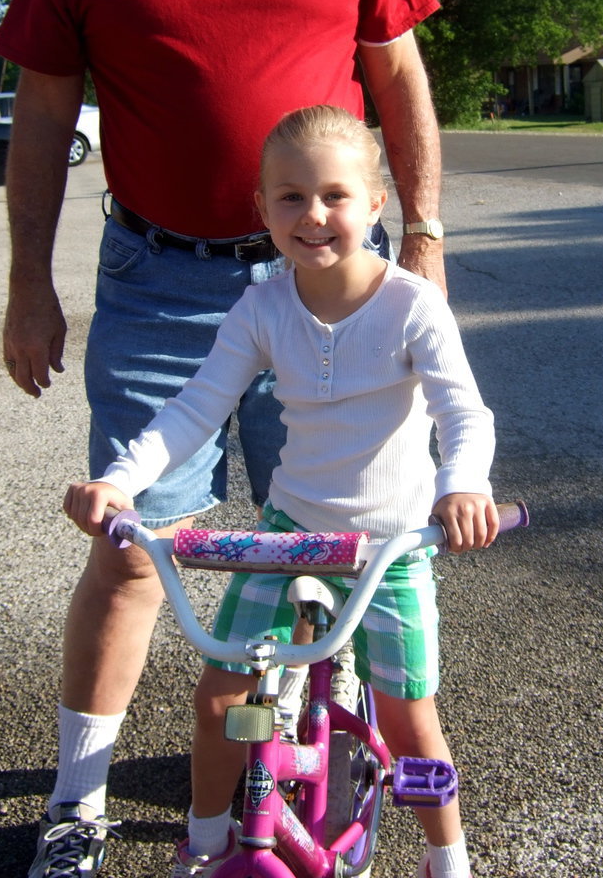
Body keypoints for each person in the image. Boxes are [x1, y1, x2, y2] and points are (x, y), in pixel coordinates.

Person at [0, 0, 445, 874]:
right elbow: (41, 114)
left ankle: (320, 723)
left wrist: (431, 238)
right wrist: (27, 284)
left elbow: (398, 80)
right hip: (162, 283)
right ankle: (76, 804)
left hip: (336, 283)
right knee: (140, 544)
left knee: (346, 528)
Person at [65, 106, 498, 878]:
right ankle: (202, 843)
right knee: (220, 698)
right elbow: (195, 406)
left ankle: (448, 856)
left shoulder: (411, 307)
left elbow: (462, 413)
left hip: (389, 546)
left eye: (335, 194)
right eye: (290, 198)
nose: (314, 215)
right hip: (289, 531)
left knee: (409, 721)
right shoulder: (262, 306)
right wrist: (119, 480)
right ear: (261, 212)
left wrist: (462, 487)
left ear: (375, 204)